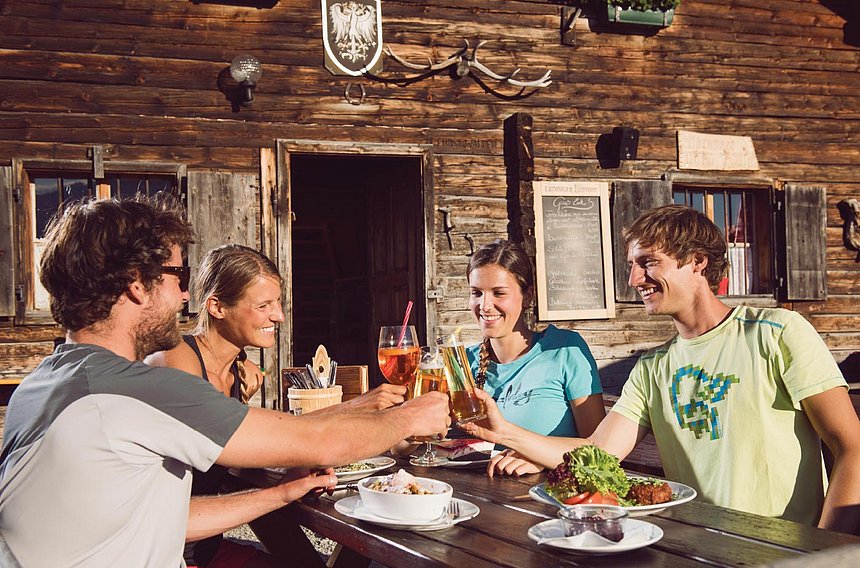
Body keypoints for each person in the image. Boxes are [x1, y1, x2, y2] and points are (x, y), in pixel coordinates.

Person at [0, 196, 450, 566]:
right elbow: (323, 441)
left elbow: (166, 517)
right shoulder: (136, 389)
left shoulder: (43, 383)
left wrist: (282, 492)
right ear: (137, 284)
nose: (183, 295)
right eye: (177, 276)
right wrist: (413, 415)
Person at [463, 205, 860, 532]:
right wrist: (506, 433)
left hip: (782, 552)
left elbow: (852, 449)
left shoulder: (777, 332)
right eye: (633, 265)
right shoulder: (653, 367)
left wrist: (826, 550)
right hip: (689, 548)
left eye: (648, 263)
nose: (635, 278)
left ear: (697, 262)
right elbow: (598, 453)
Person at [146, 244, 408, 566]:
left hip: (205, 547)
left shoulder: (236, 374)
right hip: (168, 555)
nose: (279, 316)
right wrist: (362, 410)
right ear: (216, 306)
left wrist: (300, 467)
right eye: (263, 305)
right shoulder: (176, 362)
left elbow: (254, 443)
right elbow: (241, 441)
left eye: (278, 302)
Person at [465, 239, 605, 475]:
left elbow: (600, 453)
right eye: (476, 293)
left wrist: (543, 458)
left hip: (549, 502)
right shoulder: (464, 361)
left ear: (527, 296)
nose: (485, 305)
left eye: (498, 293)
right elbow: (408, 447)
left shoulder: (564, 350)